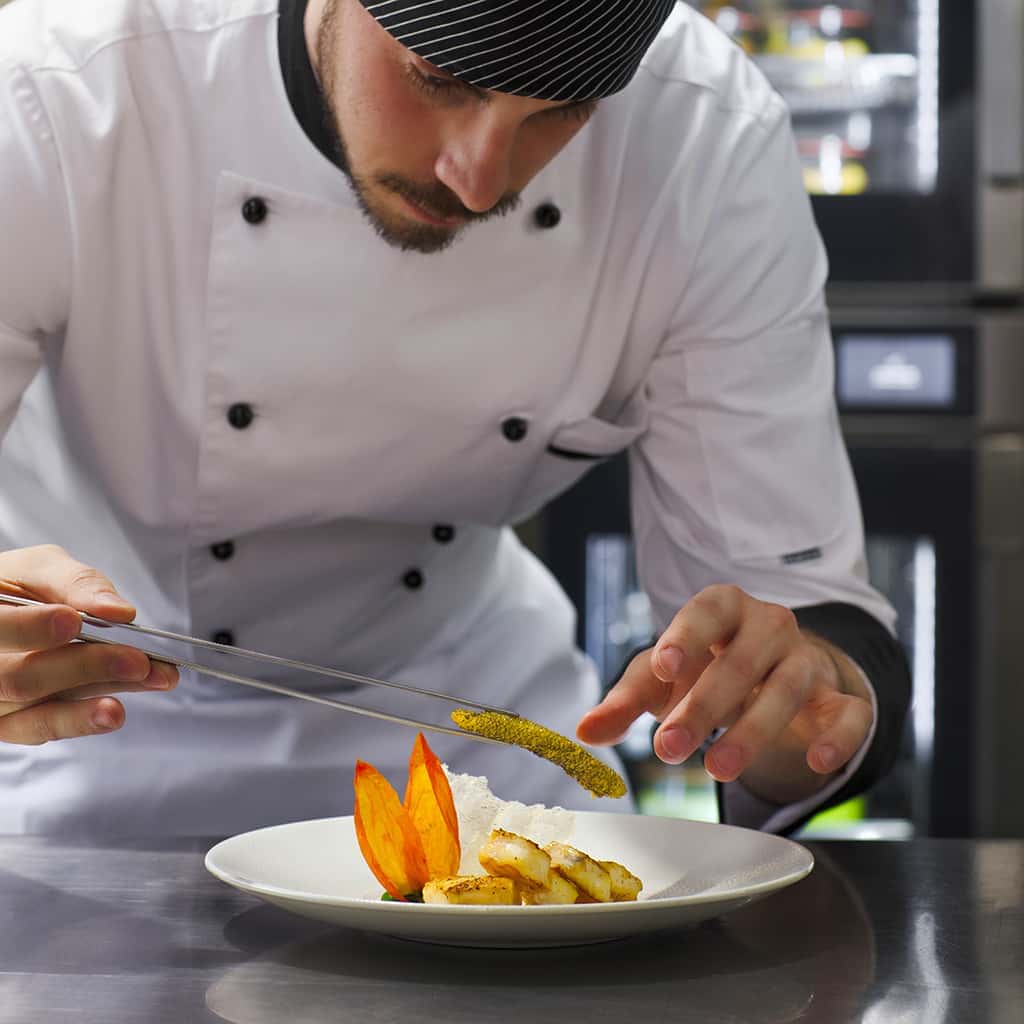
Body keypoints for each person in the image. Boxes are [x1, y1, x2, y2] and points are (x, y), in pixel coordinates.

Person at [0, 0, 909, 837]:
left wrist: (798, 702)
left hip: (473, 741)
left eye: (561, 111)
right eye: (439, 79)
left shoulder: (704, 140)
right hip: (86, 728)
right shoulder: (63, 93)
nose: (477, 181)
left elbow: (790, 605)